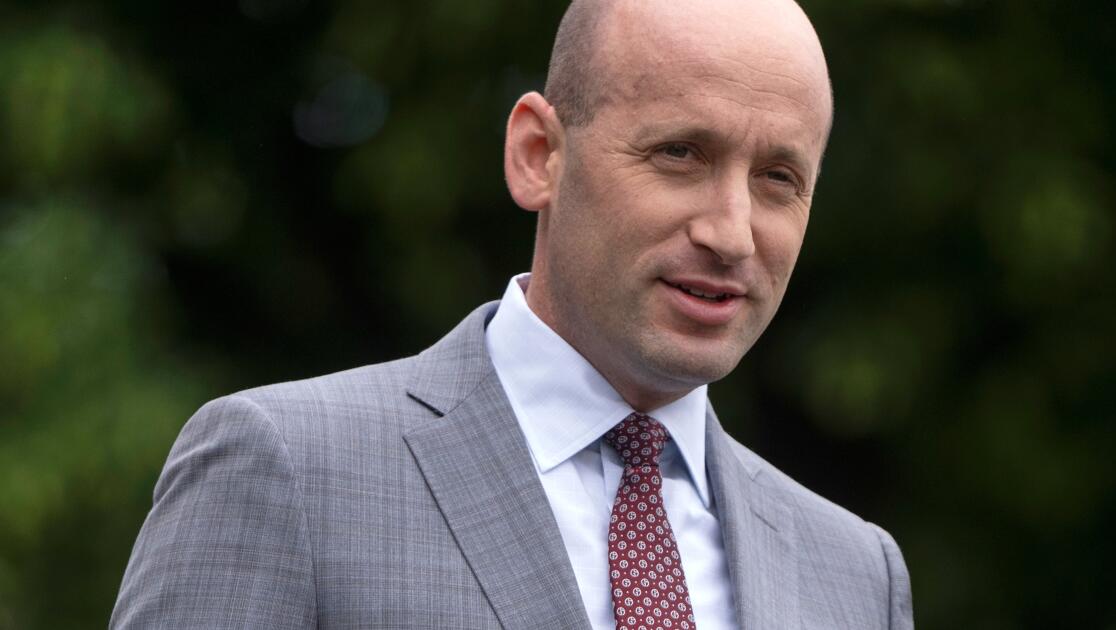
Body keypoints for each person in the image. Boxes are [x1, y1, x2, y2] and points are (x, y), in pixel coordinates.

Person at [112, 0, 914, 628]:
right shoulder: (287, 470)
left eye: (779, 178)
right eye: (680, 153)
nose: (731, 234)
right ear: (538, 155)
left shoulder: (857, 576)